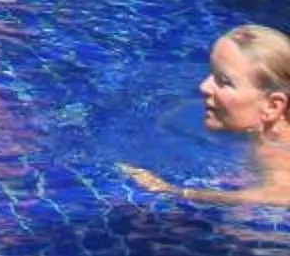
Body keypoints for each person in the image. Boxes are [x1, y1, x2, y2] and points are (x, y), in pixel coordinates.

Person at [124, 27, 290, 207]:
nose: (204, 86)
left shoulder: (274, 150)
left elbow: (283, 195)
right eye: (211, 73)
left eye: (224, 82)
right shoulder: (265, 136)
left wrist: (175, 192)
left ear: (272, 106)